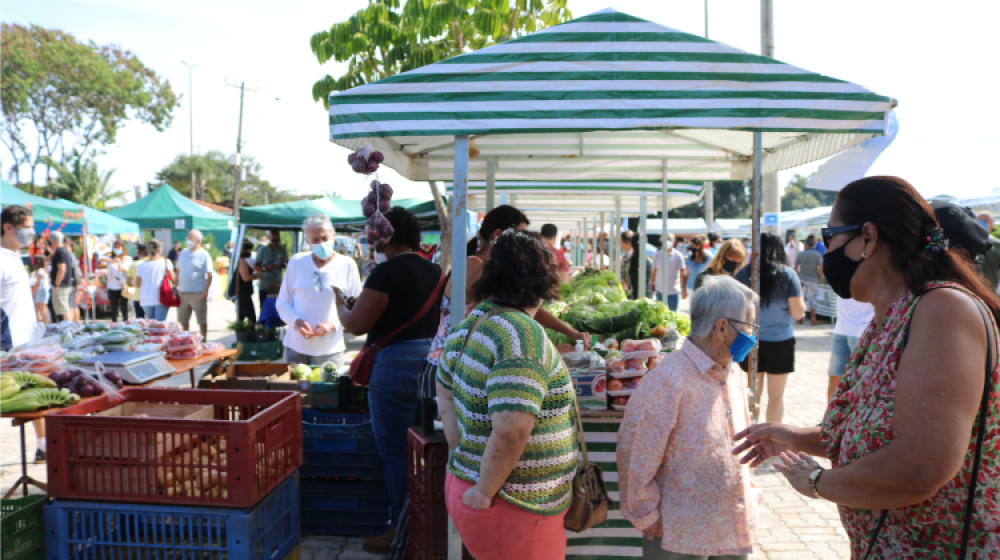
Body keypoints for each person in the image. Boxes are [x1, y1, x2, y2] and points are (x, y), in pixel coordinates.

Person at [734, 176, 1000, 558]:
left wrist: (816, 481)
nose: (827, 252)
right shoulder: (891, 317)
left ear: (868, 239)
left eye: (832, 236)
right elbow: (872, 435)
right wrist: (797, 437)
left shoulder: (942, 310)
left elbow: (919, 467)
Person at [436, 229, 578, 560]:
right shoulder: (521, 334)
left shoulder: (471, 323)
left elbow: (446, 399)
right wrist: (485, 490)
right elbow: (511, 429)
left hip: (473, 488)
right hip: (513, 504)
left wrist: (466, 460)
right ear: (543, 280)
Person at [618, 276, 760, 560]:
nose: (753, 336)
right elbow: (635, 455)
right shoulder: (667, 381)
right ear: (722, 328)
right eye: (749, 327)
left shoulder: (733, 372)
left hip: (731, 528)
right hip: (678, 538)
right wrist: (647, 517)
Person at [332, 207, 442, 554]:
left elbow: (356, 324)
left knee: (395, 452)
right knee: (427, 449)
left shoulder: (386, 272)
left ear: (387, 237)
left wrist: (340, 306)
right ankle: (431, 528)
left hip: (396, 364)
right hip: (431, 365)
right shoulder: (437, 271)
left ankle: (401, 532)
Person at [427, 206, 589, 370]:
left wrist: (570, 332)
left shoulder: (491, 269)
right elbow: (503, 315)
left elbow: (521, 307)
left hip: (467, 364)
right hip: (449, 367)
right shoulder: (474, 268)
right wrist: (548, 351)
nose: (523, 247)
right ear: (497, 235)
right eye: (519, 238)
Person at [734, 233, 805, 423]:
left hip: (749, 340)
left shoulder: (743, 274)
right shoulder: (788, 275)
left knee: (752, 396)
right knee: (776, 397)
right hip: (780, 342)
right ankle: (771, 440)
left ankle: (750, 437)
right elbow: (798, 313)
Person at [276, 215, 361, 366]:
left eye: (324, 237)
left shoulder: (347, 265)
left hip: (330, 351)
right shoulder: (296, 262)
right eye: (315, 240)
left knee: (328, 390)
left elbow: (356, 307)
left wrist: (332, 324)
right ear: (307, 241)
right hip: (296, 349)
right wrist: (297, 322)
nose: (321, 243)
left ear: (333, 235)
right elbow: (282, 303)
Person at [1, 206, 47, 462]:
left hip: (26, 345)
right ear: (9, 227)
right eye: (27, 226)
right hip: (9, 349)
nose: (32, 232)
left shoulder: (15, 256)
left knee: (34, 397)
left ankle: (43, 445)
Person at [826, 297, 873, 403]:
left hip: (862, 331)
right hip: (840, 330)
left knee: (858, 381)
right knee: (834, 377)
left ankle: (856, 417)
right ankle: (830, 416)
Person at [176, 229, 213, 339]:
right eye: (188, 237)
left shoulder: (204, 254)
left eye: (190, 238)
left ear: (198, 241)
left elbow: (210, 275)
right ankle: (185, 341)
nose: (188, 240)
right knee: (183, 320)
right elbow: (177, 271)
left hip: (198, 293)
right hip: (182, 292)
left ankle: (203, 341)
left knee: (201, 320)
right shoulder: (183, 253)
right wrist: (175, 287)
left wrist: (205, 291)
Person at [135, 239, 176, 321]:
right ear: (160, 249)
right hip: (161, 299)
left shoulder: (141, 265)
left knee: (151, 326)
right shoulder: (166, 262)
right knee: (159, 326)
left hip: (145, 300)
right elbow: (174, 280)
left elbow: (137, 284)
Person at [100, 238, 132, 322]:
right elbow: (100, 259)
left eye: (119, 248)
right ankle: (114, 323)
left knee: (124, 307)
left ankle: (126, 323)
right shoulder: (110, 258)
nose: (117, 250)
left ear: (122, 248)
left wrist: (123, 268)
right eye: (115, 248)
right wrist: (112, 260)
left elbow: (130, 270)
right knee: (114, 307)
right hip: (112, 286)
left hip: (123, 286)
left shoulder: (127, 259)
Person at [794, 235, 823, 325]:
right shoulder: (817, 254)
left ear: (806, 245)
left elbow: (795, 267)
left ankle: (799, 318)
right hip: (813, 279)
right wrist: (819, 277)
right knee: (812, 299)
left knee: (801, 298)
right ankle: (813, 319)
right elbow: (821, 268)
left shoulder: (800, 254)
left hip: (802, 279)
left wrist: (797, 277)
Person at [650, 237, 686, 311]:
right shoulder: (657, 255)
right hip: (660, 291)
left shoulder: (678, 256)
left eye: (669, 239)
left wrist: (683, 289)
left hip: (673, 292)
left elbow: (682, 274)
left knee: (672, 315)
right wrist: (651, 285)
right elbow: (654, 272)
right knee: (660, 315)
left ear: (673, 241)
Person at [47, 232, 76, 322]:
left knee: (64, 310)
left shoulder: (60, 252)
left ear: (53, 240)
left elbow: (62, 269)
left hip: (61, 285)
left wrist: (57, 284)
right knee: (65, 308)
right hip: (65, 284)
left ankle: (68, 328)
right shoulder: (63, 250)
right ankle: (68, 328)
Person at [255, 229, 288, 303]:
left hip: (278, 286)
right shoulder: (263, 250)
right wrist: (266, 268)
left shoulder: (282, 250)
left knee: (279, 309)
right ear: (269, 238)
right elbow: (255, 267)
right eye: (273, 240)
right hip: (265, 286)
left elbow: (288, 268)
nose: (275, 242)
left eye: (277, 240)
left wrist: (283, 263)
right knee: (264, 309)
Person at [235, 240, 259, 325]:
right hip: (243, 293)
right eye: (249, 250)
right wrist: (257, 275)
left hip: (243, 293)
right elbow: (246, 277)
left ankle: (243, 335)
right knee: (251, 318)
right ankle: (250, 335)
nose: (250, 252)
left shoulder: (239, 260)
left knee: (241, 318)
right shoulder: (241, 260)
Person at [977, 212, 1000, 292]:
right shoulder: (967, 242)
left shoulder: (997, 245)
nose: (981, 223)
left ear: (992, 226)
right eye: (979, 220)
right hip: (970, 293)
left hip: (990, 293)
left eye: (985, 221)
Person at [126, 244, 147, 319]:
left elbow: (128, 283)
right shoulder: (153, 263)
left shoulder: (133, 265)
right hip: (152, 297)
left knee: (140, 323)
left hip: (138, 296)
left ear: (139, 252)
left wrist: (135, 284)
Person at [32, 255, 50, 325]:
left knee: (41, 311)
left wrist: (34, 291)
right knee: (41, 311)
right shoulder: (44, 270)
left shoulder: (40, 271)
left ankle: (44, 326)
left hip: (40, 291)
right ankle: (44, 325)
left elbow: (38, 282)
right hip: (43, 290)